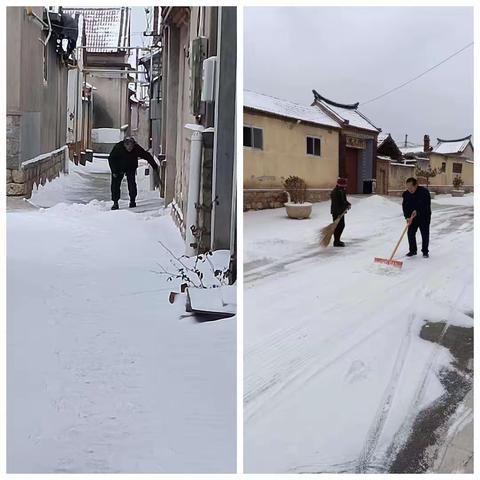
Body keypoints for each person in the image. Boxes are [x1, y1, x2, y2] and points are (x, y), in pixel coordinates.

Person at [108, 136, 159, 210]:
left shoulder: (136, 148)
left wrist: (154, 166)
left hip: (131, 167)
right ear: (124, 145)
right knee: (115, 184)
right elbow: (111, 159)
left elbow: (146, 155)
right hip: (118, 168)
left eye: (131, 147)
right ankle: (115, 202)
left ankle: (132, 200)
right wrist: (114, 171)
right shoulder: (118, 147)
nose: (129, 148)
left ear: (133, 145)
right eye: (128, 146)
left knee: (132, 184)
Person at [402, 177, 431, 258]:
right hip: (412, 217)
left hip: (424, 216)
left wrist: (417, 211)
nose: (409, 189)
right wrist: (407, 217)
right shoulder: (406, 194)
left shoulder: (424, 192)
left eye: (411, 187)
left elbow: (426, 205)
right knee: (410, 233)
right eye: (408, 187)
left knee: (424, 234)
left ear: (416, 185)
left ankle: (425, 251)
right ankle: (412, 250)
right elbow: (405, 206)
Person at [330, 177, 351, 247]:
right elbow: (336, 204)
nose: (345, 186)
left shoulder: (342, 190)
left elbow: (344, 201)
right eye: (344, 185)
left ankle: (337, 240)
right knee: (338, 226)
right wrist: (339, 213)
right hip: (336, 212)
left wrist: (348, 204)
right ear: (340, 185)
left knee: (341, 226)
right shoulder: (335, 192)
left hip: (340, 211)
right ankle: (336, 241)